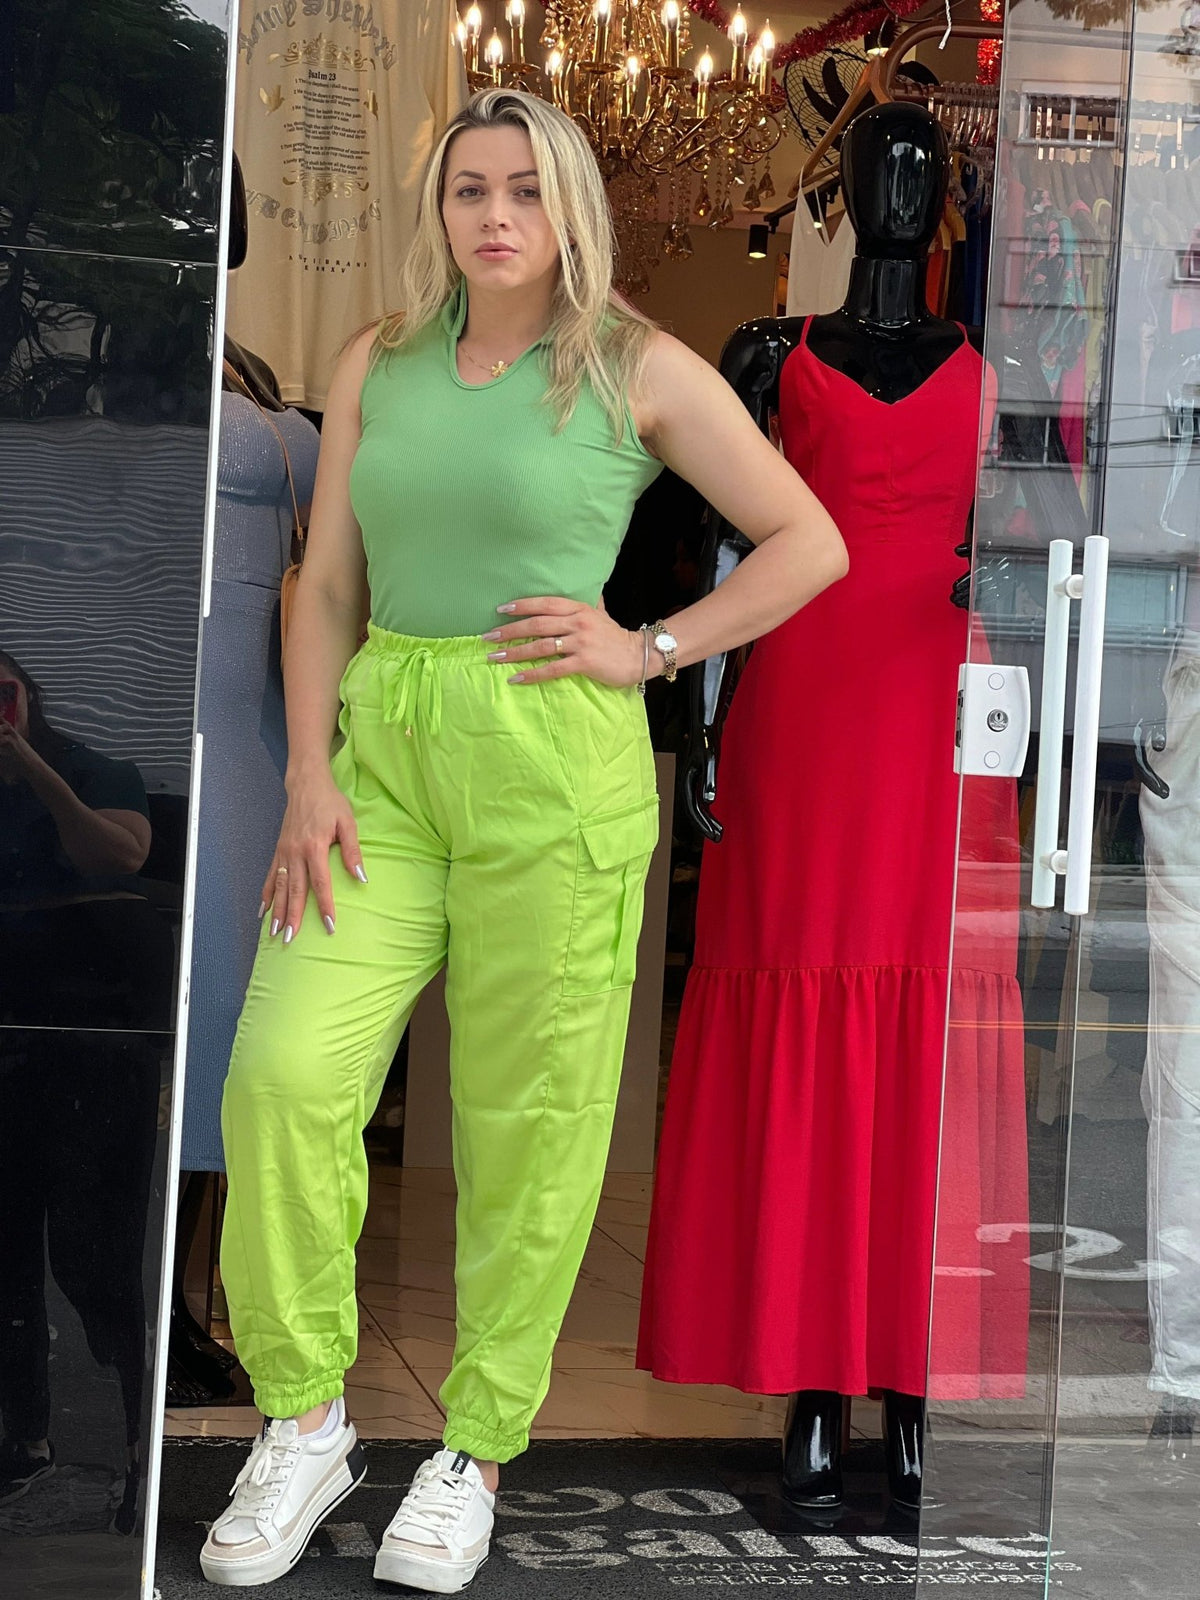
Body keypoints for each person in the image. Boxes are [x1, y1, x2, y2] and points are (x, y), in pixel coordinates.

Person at [200, 88, 847, 1594]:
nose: (495, 216)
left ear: (570, 207)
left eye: (525, 190)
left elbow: (812, 539)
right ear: (438, 208)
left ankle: (477, 1447)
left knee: (526, 1130)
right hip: (380, 765)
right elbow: (326, 586)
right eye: (468, 190)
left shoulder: (637, 365)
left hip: (553, 766)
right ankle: (304, 1419)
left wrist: (652, 646)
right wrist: (308, 772)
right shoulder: (378, 359)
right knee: (283, 1077)